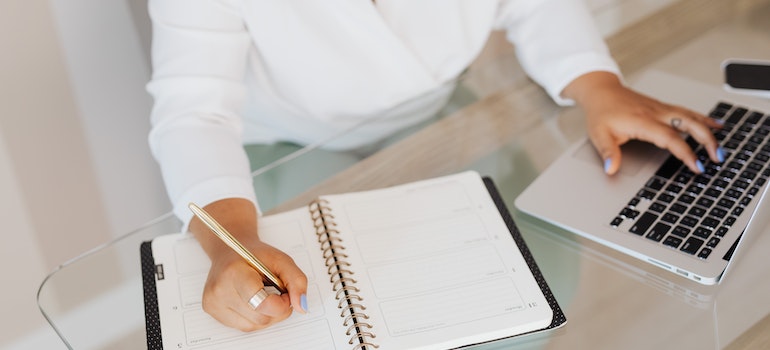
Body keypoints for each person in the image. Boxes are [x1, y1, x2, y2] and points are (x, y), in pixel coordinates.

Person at [146, 0, 725, 332]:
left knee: (531, 296)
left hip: (442, 118)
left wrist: (596, 84)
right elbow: (196, 113)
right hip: (285, 144)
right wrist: (230, 241)